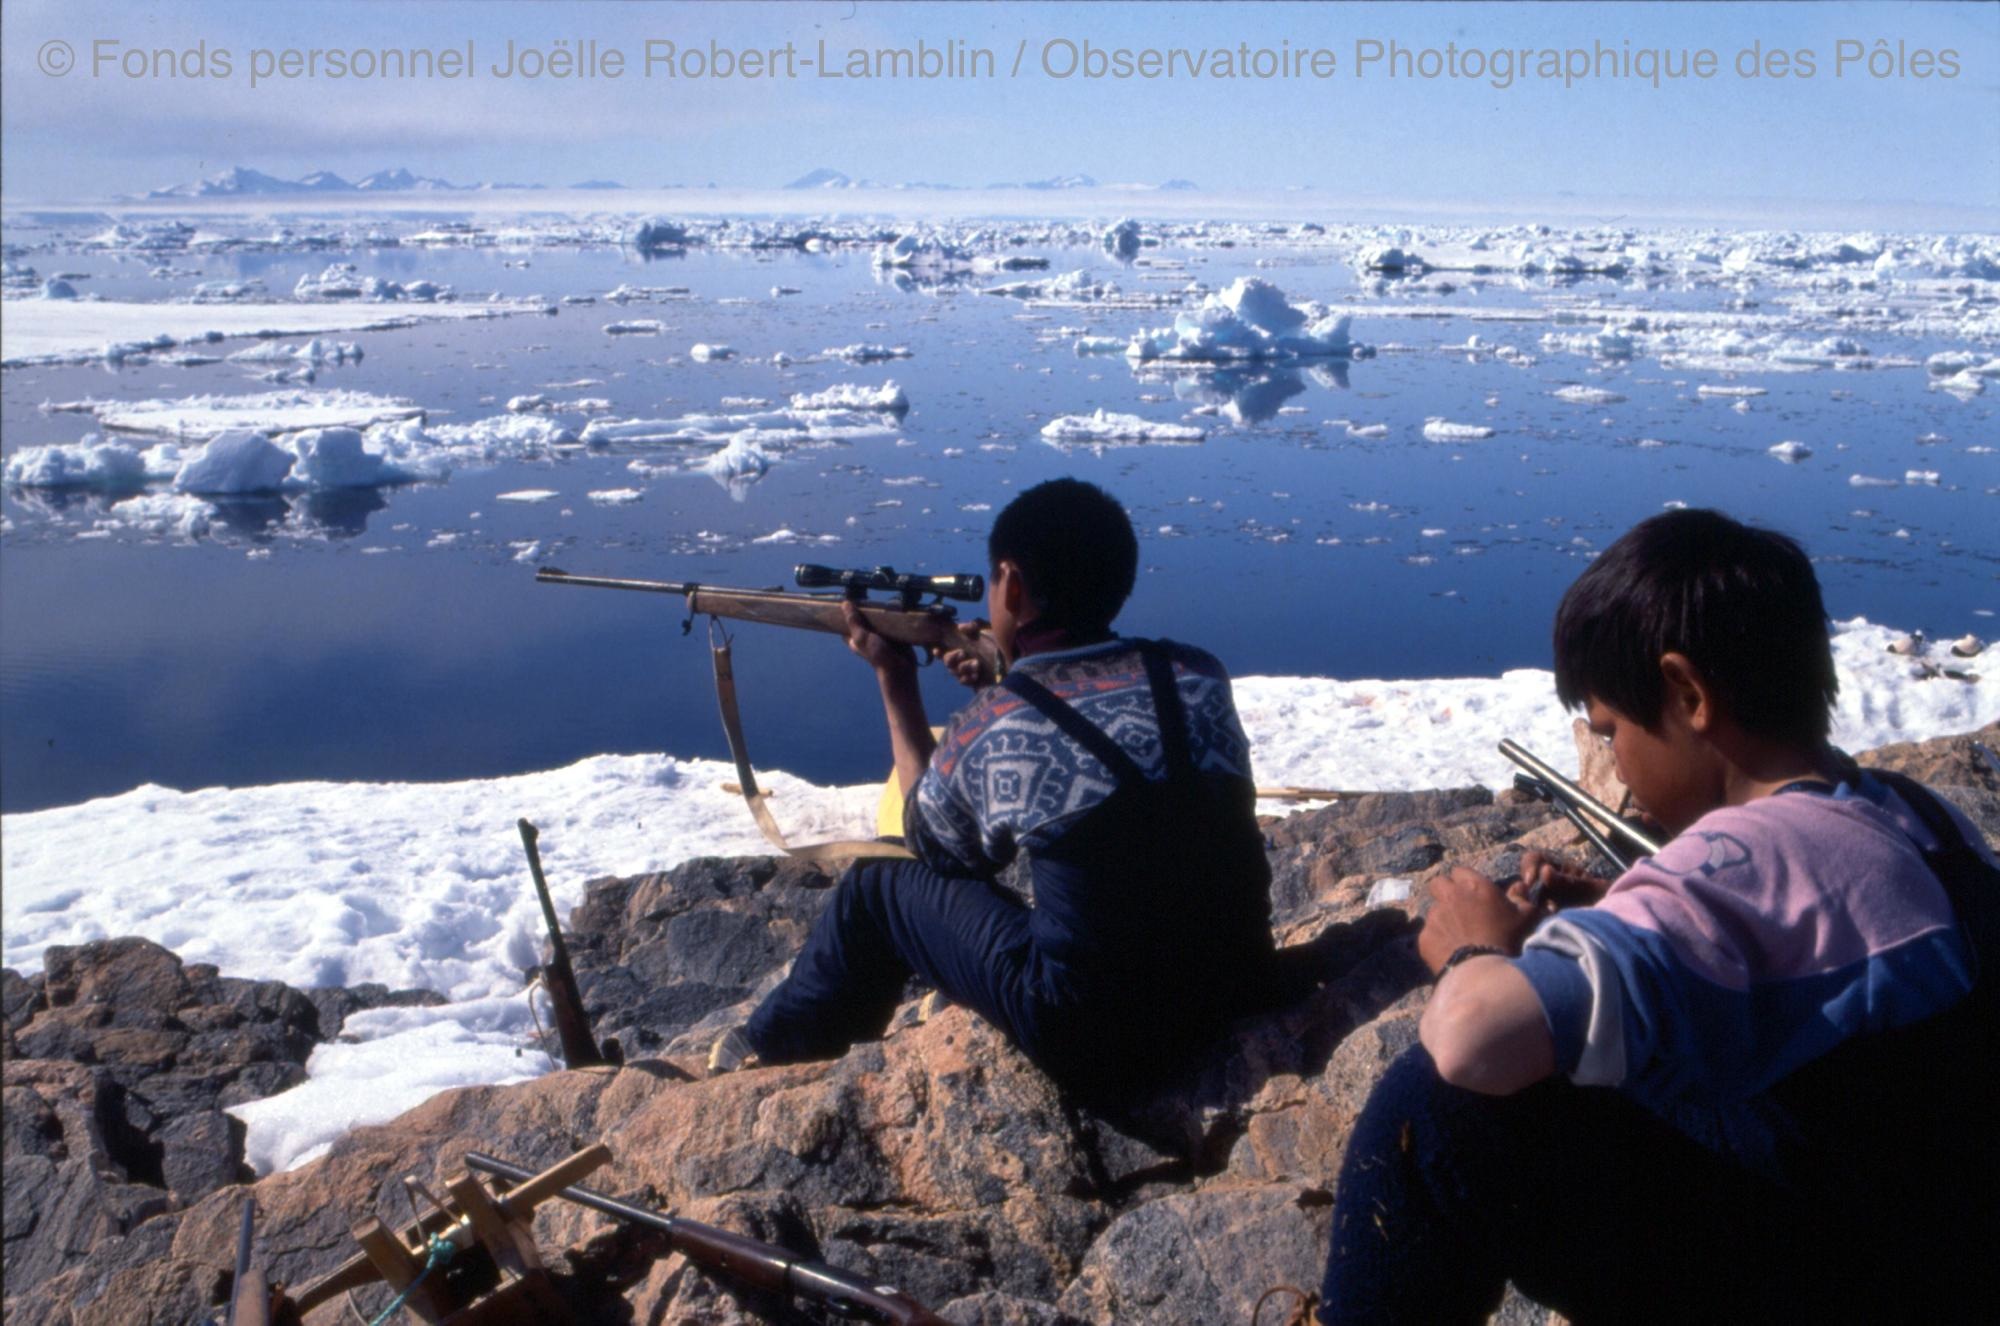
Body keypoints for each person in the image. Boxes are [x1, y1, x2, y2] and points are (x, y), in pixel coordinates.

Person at [1317, 509, 1996, 1324]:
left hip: (1839, 1274)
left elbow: (1471, 1042)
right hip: (1929, 1226)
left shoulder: (1752, 858)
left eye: (1612, 731)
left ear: (1687, 693)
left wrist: (1474, 950)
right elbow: (1799, 932)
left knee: (1435, 1109)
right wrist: (1619, 910)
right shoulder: (1913, 814)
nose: (1619, 769)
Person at [711, 477, 1277, 1100]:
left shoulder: (1003, 722)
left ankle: (778, 1050)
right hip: (1238, 982)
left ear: (1008, 582)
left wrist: (896, 679)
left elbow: (932, 846)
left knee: (879, 883)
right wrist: (1004, 685)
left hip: (1101, 1037)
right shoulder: (1194, 672)